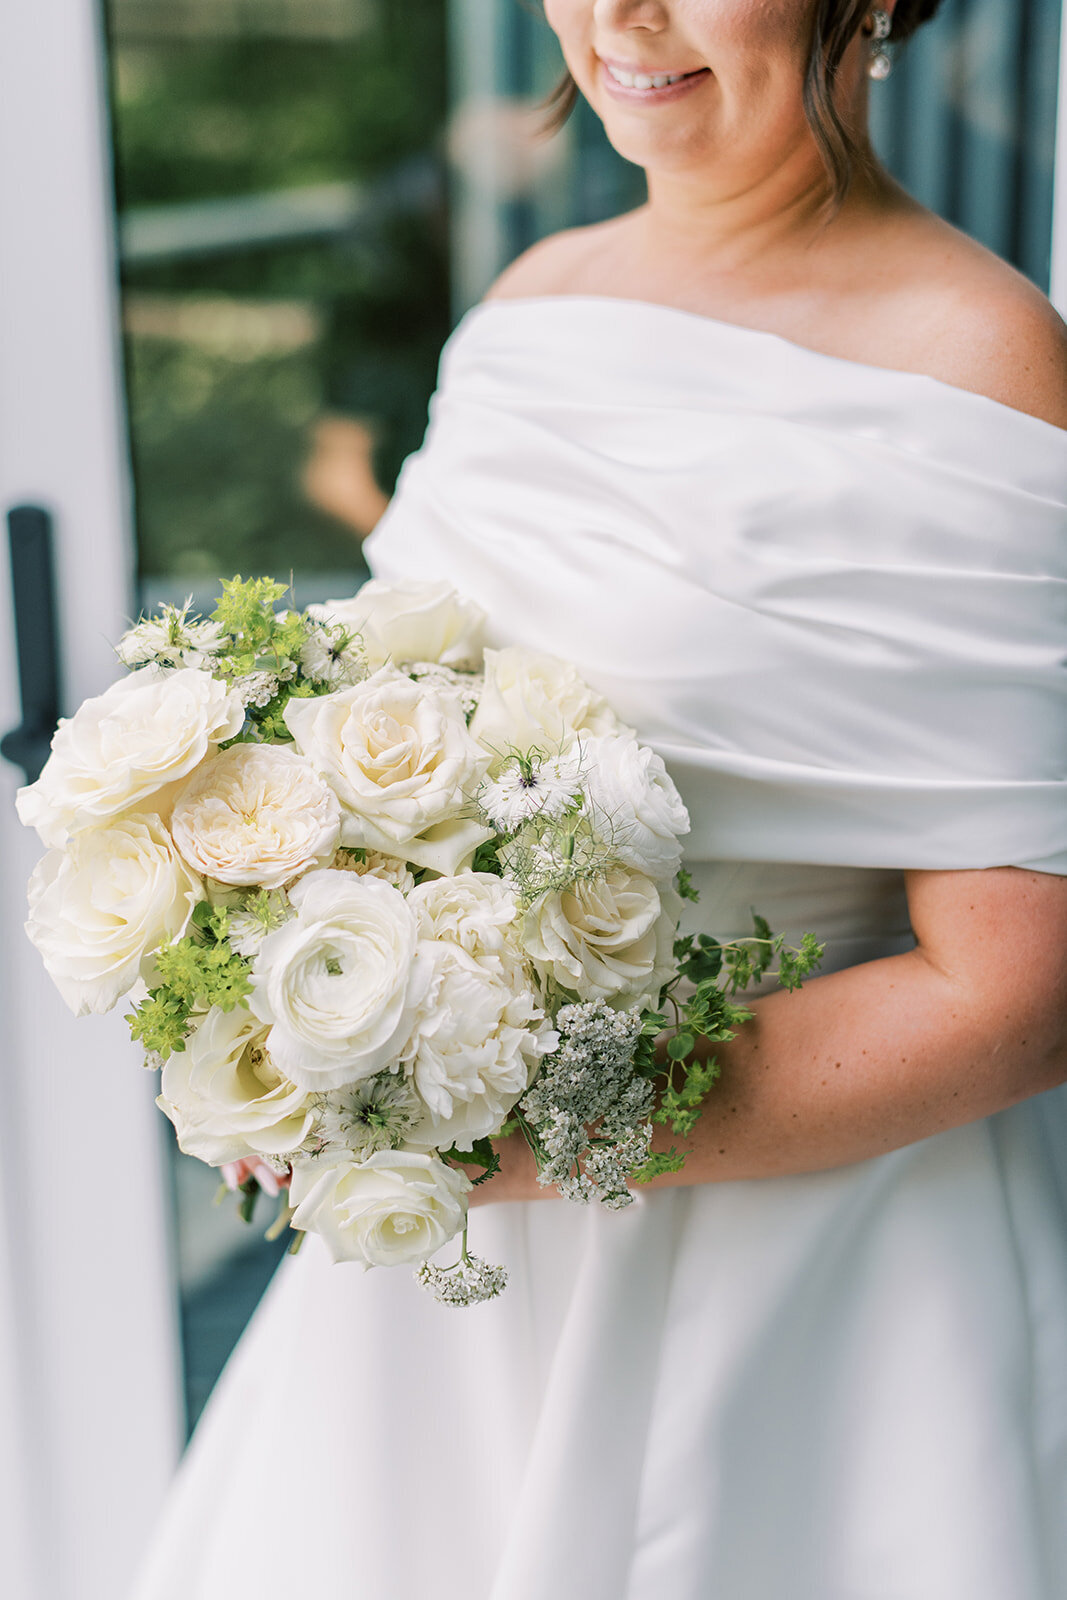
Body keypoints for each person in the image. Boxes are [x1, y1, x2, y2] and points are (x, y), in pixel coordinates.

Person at [130, 3, 1067, 1596]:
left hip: (797, 1295)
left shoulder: (981, 363)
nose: (620, 17)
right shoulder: (530, 304)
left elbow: (1022, 998)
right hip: (434, 1284)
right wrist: (288, 1030)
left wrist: (525, 1134)